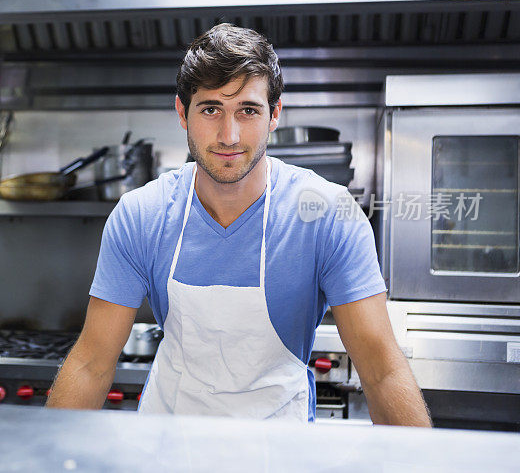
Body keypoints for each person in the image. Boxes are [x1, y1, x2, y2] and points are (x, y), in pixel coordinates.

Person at [46, 23, 431, 425]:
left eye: (247, 110)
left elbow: (382, 371)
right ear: (182, 113)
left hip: (281, 450)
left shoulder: (328, 215)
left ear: (275, 114)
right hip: (168, 446)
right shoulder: (142, 215)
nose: (228, 135)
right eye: (211, 109)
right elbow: (91, 363)